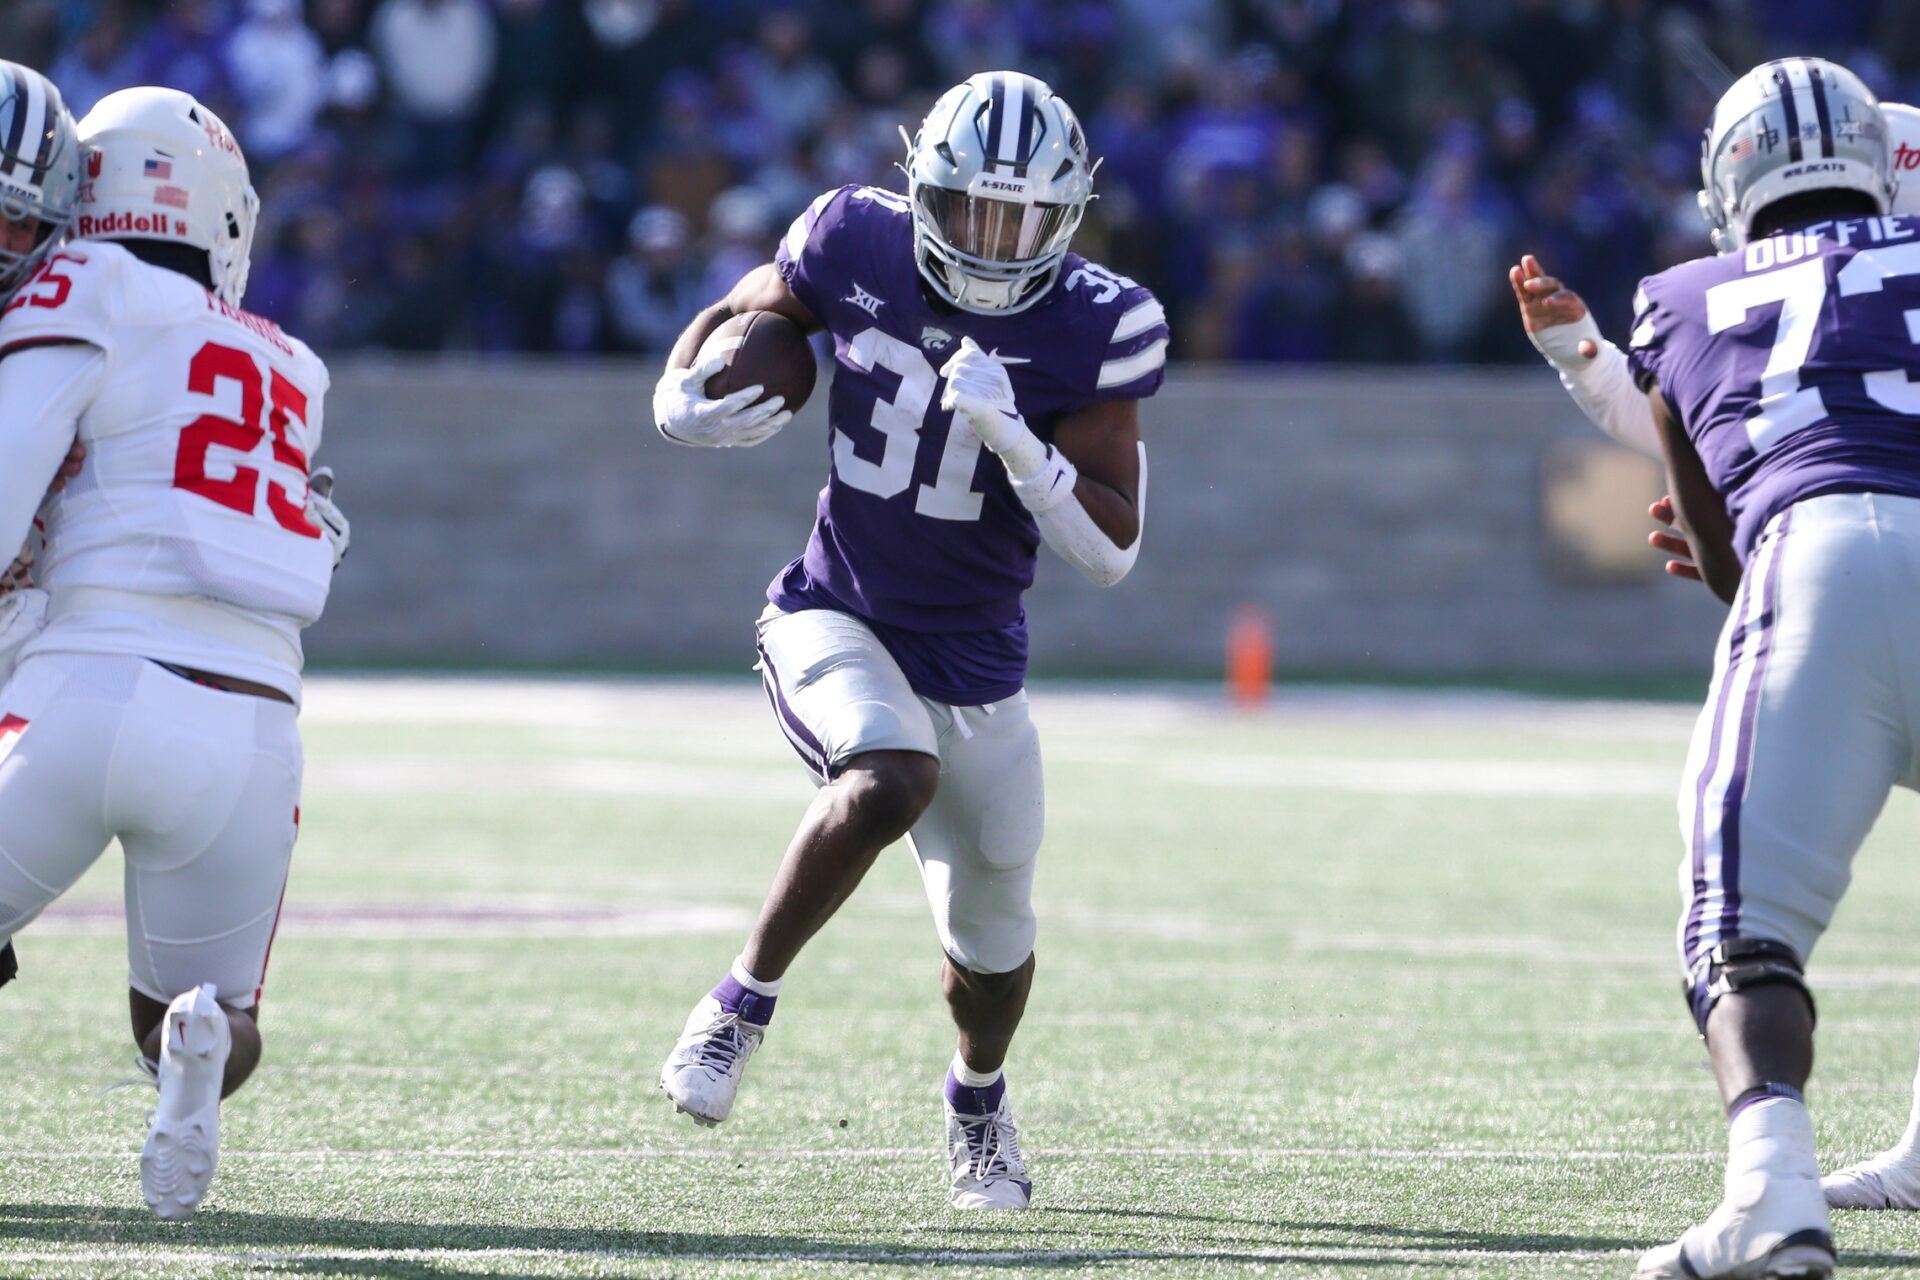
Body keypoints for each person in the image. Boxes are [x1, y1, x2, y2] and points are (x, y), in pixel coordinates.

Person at [650, 70, 1167, 1210]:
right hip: (833, 610)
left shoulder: (1101, 320)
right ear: (919, 188)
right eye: (970, 208)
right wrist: (677, 383)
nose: (990, 241)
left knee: (992, 952)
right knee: (888, 775)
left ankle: (977, 1102)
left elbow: (1114, 548)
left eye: (1018, 218)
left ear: (1067, 215)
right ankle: (738, 1006)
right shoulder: (852, 236)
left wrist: (1019, 444)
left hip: (979, 666)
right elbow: (754, 307)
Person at [1511, 97, 1920, 1218]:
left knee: (1741, 925)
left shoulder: (1690, 292)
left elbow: (1704, 436)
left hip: (1822, 559)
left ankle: (1770, 1192)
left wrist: (1751, 563)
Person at [0, 80, 347, 1222]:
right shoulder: (293, 364)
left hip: (85, 680)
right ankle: (193, 1052)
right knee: (203, 1009)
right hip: (252, 723)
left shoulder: (79, 283)